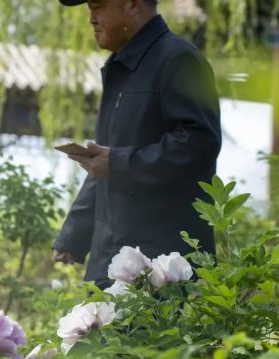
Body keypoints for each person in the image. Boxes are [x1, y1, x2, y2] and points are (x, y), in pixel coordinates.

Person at [52, 0, 222, 291]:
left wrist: (118, 163)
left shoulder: (179, 59)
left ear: (131, 5)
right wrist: (76, 233)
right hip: (113, 256)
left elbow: (198, 144)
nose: (91, 18)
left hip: (163, 266)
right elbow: (104, 160)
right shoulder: (122, 67)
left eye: (98, 7)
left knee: (158, 338)